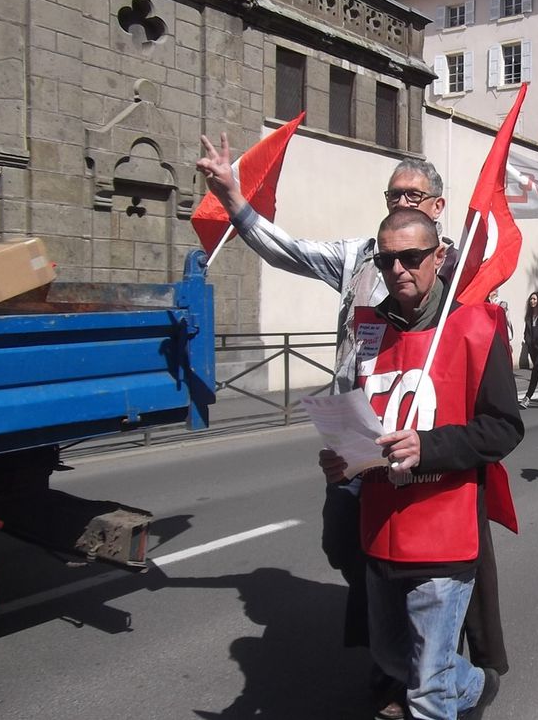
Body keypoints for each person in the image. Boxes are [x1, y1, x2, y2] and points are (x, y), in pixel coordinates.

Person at [196, 134, 507, 718]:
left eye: (413, 194)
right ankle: (405, 658)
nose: (399, 201)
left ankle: (433, 673)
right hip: (358, 446)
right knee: (350, 547)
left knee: (437, 581)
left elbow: (489, 399)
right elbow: (286, 249)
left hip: (434, 462)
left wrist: (436, 445)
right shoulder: (361, 256)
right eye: (393, 192)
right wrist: (235, 200)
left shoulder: (455, 265)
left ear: (437, 212)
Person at [320, 210, 524, 720]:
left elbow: (504, 427)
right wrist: (345, 457)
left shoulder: (475, 325)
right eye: (386, 260)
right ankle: (474, 683)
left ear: (438, 258)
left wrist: (427, 447)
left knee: (427, 694)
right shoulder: (368, 331)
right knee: (393, 656)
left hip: (443, 533)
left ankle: (451, 689)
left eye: (411, 258)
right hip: (381, 528)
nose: (398, 271)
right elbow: (363, 419)